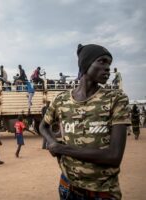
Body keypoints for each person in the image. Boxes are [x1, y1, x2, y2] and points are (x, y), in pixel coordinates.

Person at [39, 43, 131, 199]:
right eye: (102, 61)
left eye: (109, 63)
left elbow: (114, 156)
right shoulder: (61, 99)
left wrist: (61, 149)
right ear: (86, 64)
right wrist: (52, 142)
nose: (108, 67)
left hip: (101, 192)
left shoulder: (116, 99)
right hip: (67, 186)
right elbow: (43, 126)